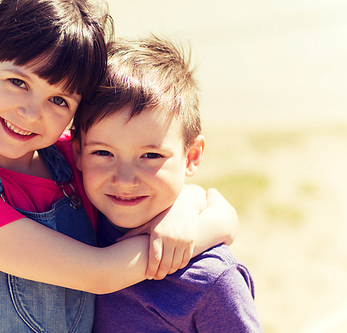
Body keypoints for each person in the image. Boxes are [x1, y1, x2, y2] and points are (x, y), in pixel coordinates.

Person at [0, 1, 239, 332]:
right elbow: (99, 273)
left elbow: (222, 211)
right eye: (18, 82)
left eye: (59, 100)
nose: (31, 113)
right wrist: (190, 238)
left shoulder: (72, 157)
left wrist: (184, 207)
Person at [71, 35, 262, 332]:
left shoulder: (212, 282)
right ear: (77, 152)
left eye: (150, 155)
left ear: (192, 156)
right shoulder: (72, 228)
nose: (124, 179)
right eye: (103, 153)